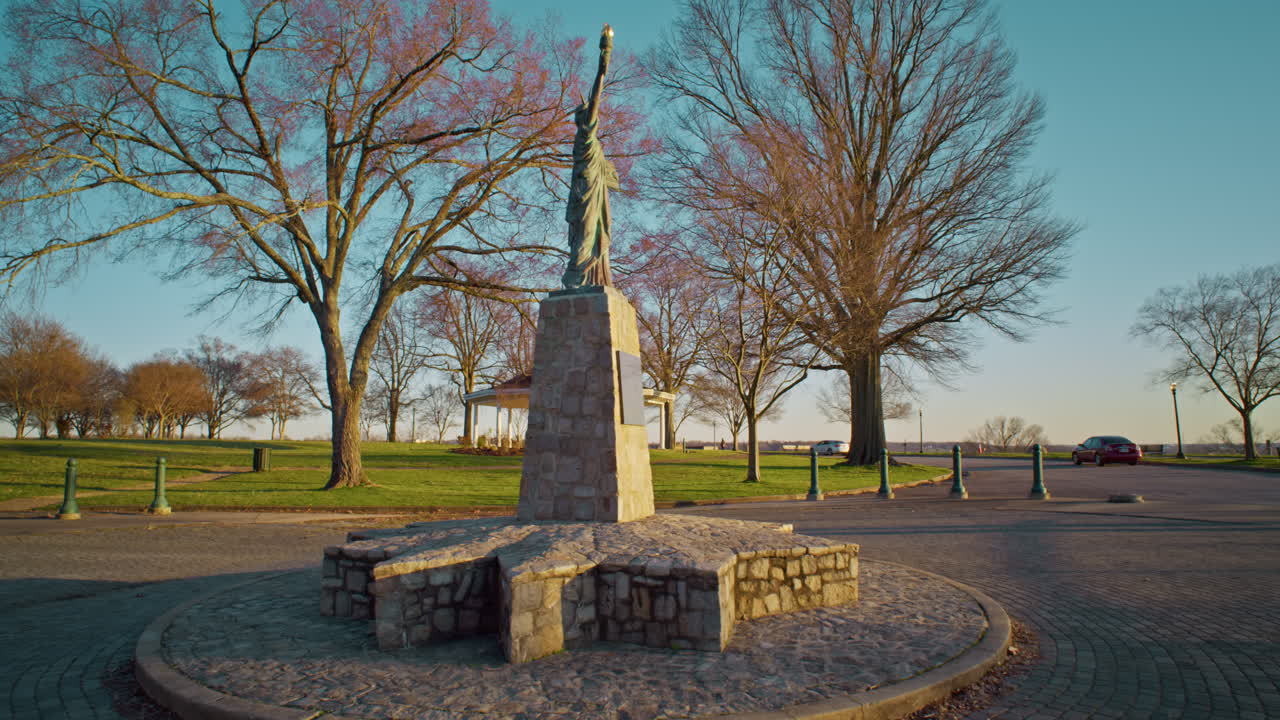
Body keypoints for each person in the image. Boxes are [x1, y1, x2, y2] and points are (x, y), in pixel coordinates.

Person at [562, 24, 620, 289]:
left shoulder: (590, 142)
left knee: (592, 242)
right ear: (583, 119)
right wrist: (604, 57)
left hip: (590, 197)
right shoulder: (585, 137)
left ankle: (590, 281)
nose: (592, 115)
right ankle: (576, 281)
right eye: (588, 113)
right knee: (584, 243)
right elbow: (596, 97)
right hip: (585, 198)